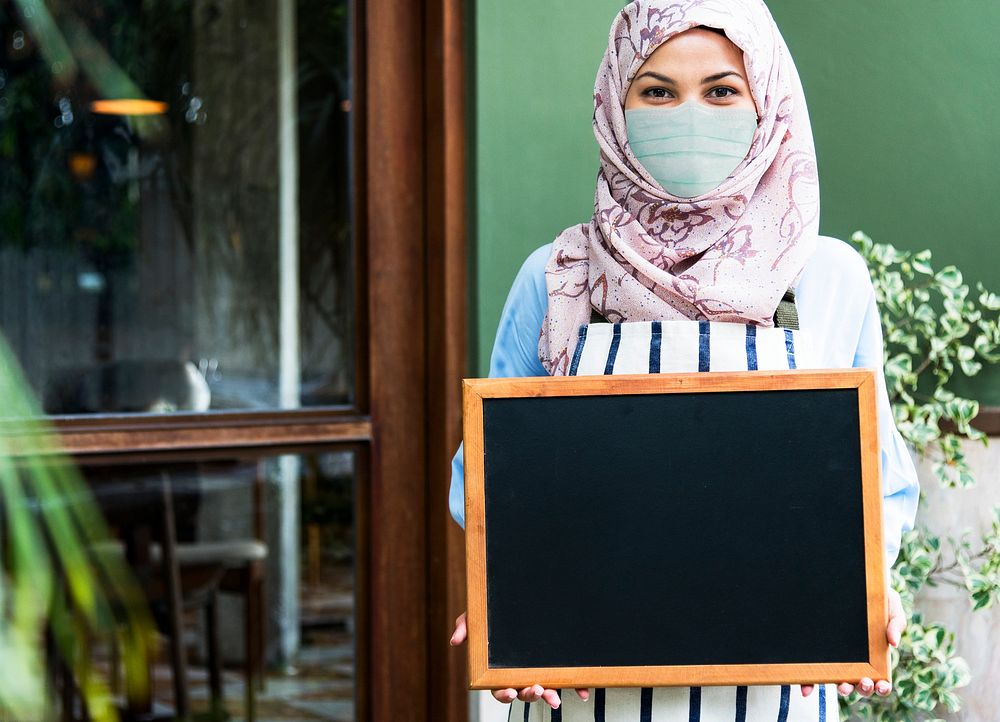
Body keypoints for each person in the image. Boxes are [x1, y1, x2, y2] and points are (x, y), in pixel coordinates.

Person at [448, 1, 920, 719]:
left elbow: (877, 487)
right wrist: (503, 611)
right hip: (579, 696)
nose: (689, 113)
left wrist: (865, 606)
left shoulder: (827, 276)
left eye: (723, 91)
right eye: (658, 91)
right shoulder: (557, 275)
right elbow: (488, 480)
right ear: (616, 104)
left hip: (777, 697)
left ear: (768, 106)